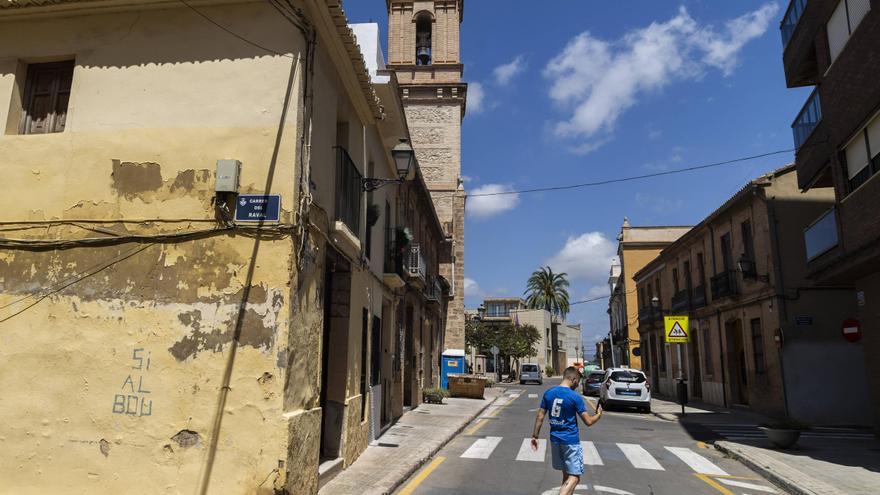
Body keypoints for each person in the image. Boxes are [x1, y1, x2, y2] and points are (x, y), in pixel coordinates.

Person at [530, 366, 603, 495]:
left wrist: (535, 436)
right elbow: (589, 422)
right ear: (573, 379)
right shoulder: (574, 397)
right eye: (578, 382)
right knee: (574, 477)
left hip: (555, 440)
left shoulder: (549, 393)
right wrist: (598, 414)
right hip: (570, 441)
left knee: (566, 476)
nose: (577, 385)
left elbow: (540, 416)